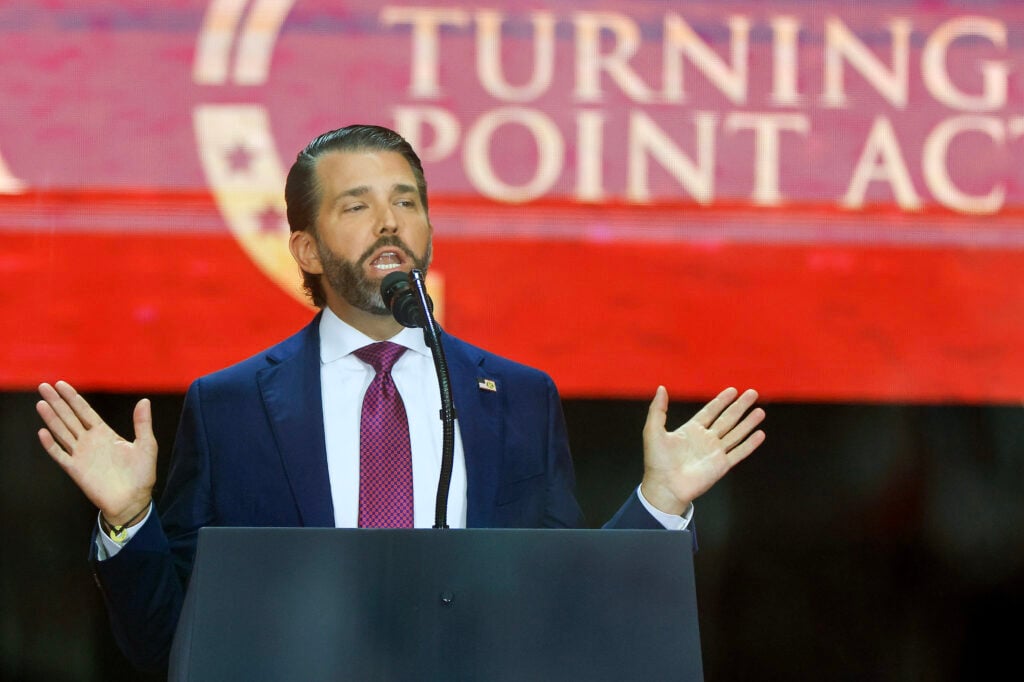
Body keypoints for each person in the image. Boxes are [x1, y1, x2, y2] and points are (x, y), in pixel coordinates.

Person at [35, 124, 766, 672]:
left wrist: (658, 507)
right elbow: (172, 642)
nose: (389, 222)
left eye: (406, 202)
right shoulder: (228, 407)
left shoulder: (517, 398)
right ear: (308, 249)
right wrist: (130, 521)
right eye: (356, 206)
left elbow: (563, 612)